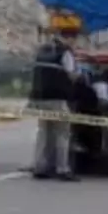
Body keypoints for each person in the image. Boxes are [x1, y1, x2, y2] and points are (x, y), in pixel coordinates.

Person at [28, 27, 80, 181]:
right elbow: (71, 74)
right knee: (62, 133)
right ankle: (62, 168)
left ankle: (40, 166)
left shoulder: (42, 50)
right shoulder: (65, 52)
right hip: (58, 98)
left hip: (40, 97)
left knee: (43, 132)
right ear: (70, 38)